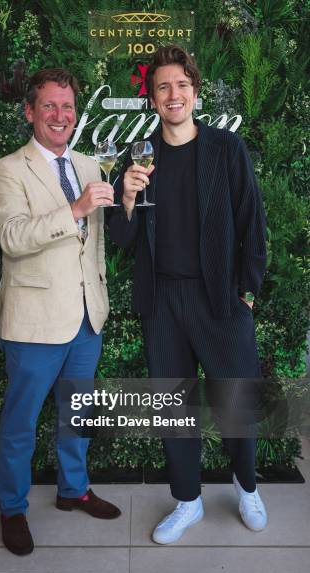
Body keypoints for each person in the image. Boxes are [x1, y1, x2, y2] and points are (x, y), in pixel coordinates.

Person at [108, 45, 267, 544]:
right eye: (162, 87)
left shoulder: (224, 148)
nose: (172, 94)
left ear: (194, 92)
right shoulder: (141, 156)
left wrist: (248, 291)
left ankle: (246, 486)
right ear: (152, 98)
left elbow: (252, 222)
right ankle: (188, 500)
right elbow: (122, 238)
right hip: (163, 304)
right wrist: (127, 198)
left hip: (219, 298)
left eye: (180, 84)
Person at [0, 68, 121, 557]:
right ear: (29, 111)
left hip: (87, 318)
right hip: (35, 322)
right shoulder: (7, 169)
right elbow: (14, 238)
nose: (60, 116)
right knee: (21, 422)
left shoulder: (90, 165)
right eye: (49, 106)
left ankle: (73, 490)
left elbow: (98, 241)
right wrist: (76, 210)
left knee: (76, 415)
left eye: (67, 107)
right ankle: (12, 508)